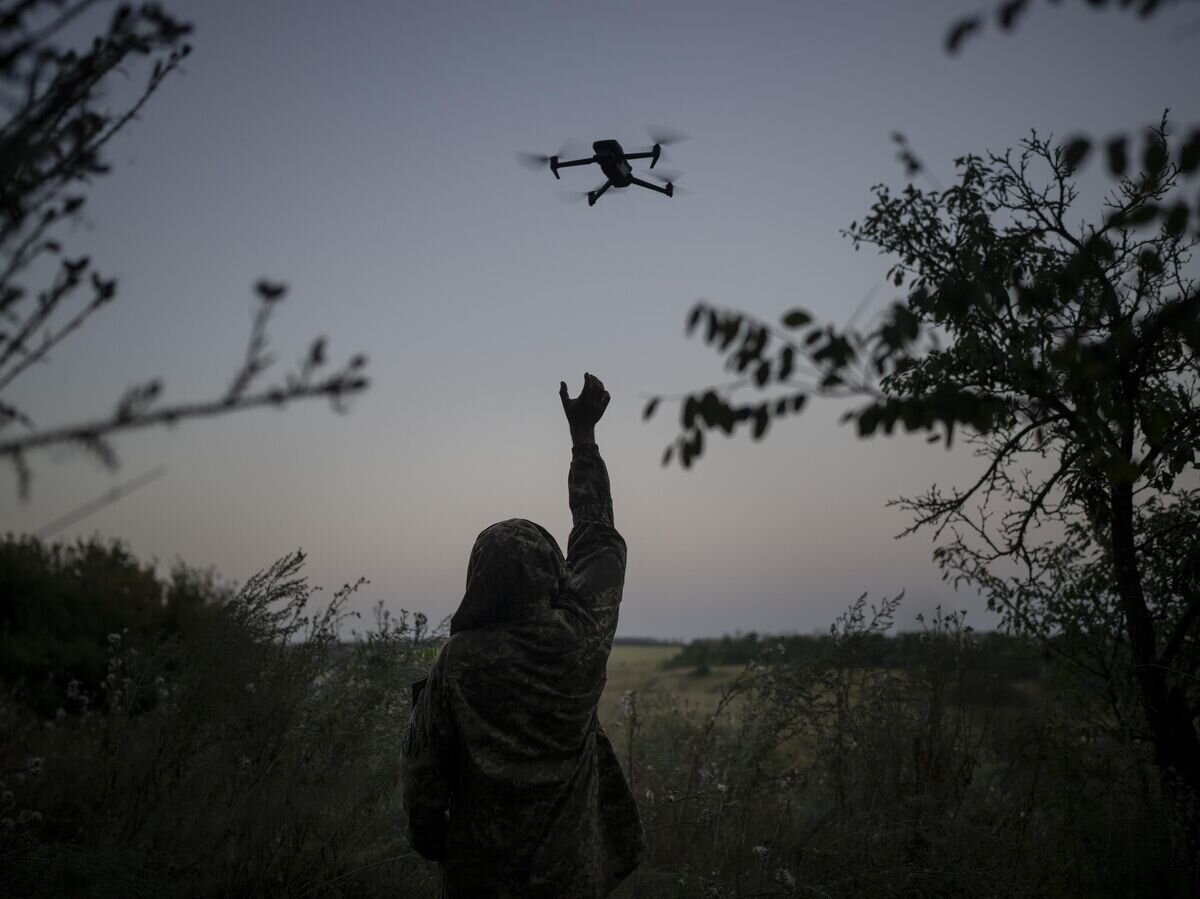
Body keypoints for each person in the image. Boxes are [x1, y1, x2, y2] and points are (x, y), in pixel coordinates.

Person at [400, 372, 645, 898]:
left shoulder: (458, 661)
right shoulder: (582, 638)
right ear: (553, 574)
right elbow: (598, 536)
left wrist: (432, 840)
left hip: (478, 880)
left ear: (479, 579)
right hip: (569, 878)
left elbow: (424, 773)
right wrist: (584, 441)